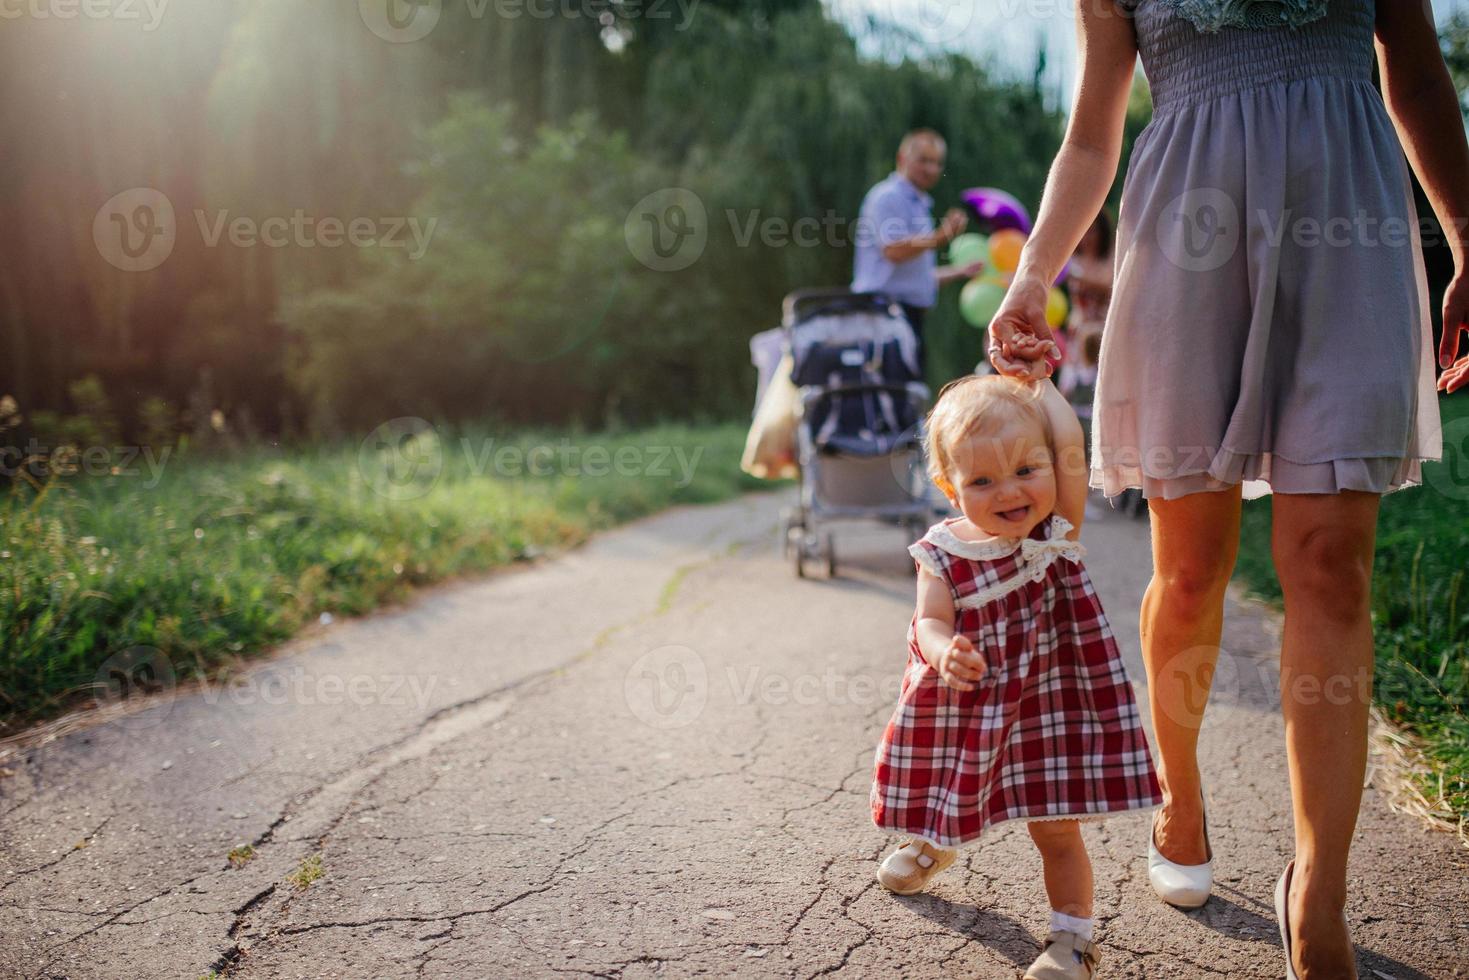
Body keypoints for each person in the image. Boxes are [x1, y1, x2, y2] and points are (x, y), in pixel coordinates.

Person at [986, 2, 1469, 976]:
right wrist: (1030, 273)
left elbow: (1415, 75)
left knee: (1328, 564)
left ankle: (1317, 895)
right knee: (1192, 566)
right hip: (1183, 239)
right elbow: (1091, 132)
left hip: (1347, 223)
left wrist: (1468, 238)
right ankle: (1179, 792)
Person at [870, 373, 1163, 980]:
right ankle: (934, 842)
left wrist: (1041, 383)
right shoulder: (942, 552)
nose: (1009, 491)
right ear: (951, 489)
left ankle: (1072, 938)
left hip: (1047, 707)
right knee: (953, 784)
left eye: (1027, 471)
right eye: (981, 481)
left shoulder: (1054, 537)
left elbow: (1067, 446)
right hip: (965, 700)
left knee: (1055, 827)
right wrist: (943, 649)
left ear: (1051, 469)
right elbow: (929, 620)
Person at [852, 129, 985, 371]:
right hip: (881, 318)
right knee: (891, 397)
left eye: (937, 163)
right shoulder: (887, 197)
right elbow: (892, 251)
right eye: (924, 160)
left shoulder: (919, 205)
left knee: (907, 395)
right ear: (902, 158)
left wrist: (961, 271)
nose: (932, 169)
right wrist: (940, 236)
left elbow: (917, 278)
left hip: (906, 318)